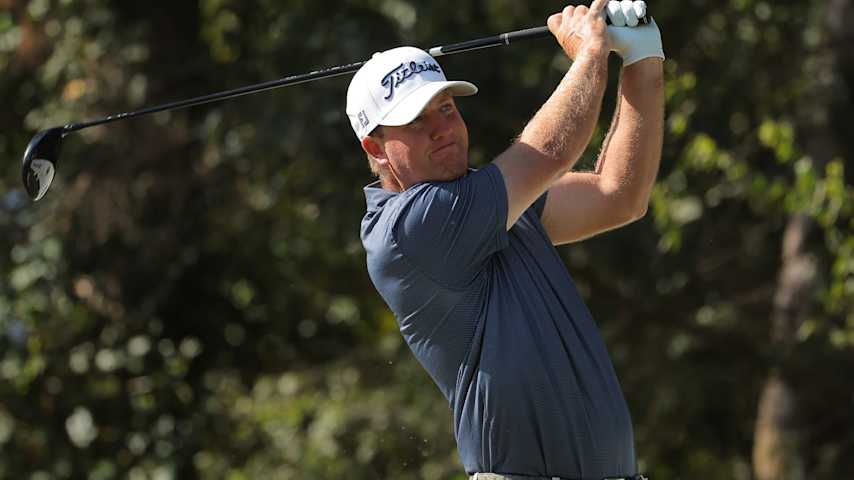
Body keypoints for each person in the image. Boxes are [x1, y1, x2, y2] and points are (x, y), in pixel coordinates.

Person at [346, 1, 664, 478]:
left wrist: (643, 60)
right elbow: (550, 151)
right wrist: (591, 52)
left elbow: (618, 196)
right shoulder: (409, 229)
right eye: (416, 121)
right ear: (375, 147)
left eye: (446, 109)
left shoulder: (495, 202)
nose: (441, 129)